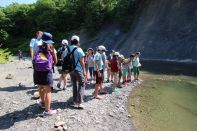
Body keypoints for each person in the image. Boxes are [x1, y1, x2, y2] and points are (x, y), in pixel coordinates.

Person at [34, 32, 57, 116]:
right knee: (48, 91)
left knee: (40, 87)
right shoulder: (50, 47)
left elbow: (34, 57)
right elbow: (55, 60)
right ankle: (47, 111)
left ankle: (42, 102)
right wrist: (51, 65)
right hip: (46, 72)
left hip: (37, 71)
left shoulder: (36, 45)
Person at [62, 35, 86, 109]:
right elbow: (82, 62)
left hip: (70, 70)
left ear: (71, 41)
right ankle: (79, 102)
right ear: (78, 42)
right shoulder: (79, 49)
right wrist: (84, 71)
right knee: (81, 84)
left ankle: (74, 100)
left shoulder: (67, 49)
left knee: (74, 85)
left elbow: (63, 58)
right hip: (78, 70)